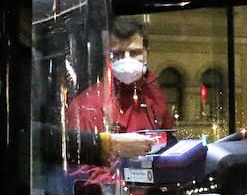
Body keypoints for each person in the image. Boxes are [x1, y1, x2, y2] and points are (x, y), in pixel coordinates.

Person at [63, 17, 175, 185]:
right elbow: (79, 171)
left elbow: (168, 146)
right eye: (119, 54)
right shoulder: (85, 106)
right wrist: (124, 186)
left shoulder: (156, 98)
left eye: (135, 52)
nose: (127, 60)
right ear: (108, 57)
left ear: (147, 53)